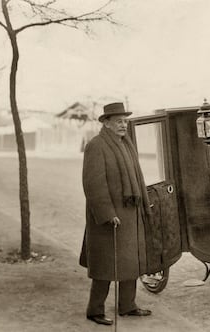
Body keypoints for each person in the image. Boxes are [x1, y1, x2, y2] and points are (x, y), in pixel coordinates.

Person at [79, 102, 152, 325]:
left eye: (125, 121)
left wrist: (144, 205)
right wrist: (108, 213)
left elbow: (137, 179)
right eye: (119, 121)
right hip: (109, 219)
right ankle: (95, 310)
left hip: (130, 214)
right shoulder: (96, 146)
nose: (124, 125)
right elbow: (93, 185)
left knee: (130, 262)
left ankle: (127, 305)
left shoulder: (126, 144)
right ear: (107, 123)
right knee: (105, 265)